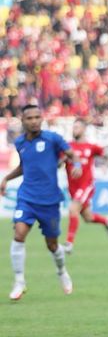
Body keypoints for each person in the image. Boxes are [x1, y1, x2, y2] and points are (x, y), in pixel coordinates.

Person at [0, 105, 83, 300]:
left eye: (38, 117)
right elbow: (24, 166)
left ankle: (62, 272)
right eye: (30, 118)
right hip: (27, 197)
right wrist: (6, 179)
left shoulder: (52, 139)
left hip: (49, 201)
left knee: (52, 245)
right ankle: (19, 281)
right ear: (23, 121)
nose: (35, 121)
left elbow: (72, 154)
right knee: (19, 234)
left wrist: (77, 164)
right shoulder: (20, 142)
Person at [63, 119, 108, 254]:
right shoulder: (67, 147)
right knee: (88, 217)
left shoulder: (91, 147)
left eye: (77, 127)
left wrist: (105, 165)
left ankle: (68, 244)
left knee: (73, 209)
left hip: (86, 185)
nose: (74, 129)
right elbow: (58, 163)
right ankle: (106, 220)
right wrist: (62, 160)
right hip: (73, 187)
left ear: (84, 129)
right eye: (73, 127)